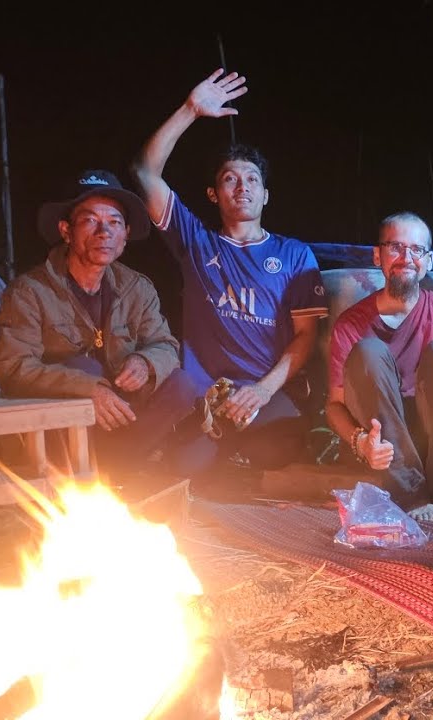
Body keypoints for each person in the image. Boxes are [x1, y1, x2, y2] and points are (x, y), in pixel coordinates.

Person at [132, 69, 328, 477]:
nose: (243, 187)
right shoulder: (196, 243)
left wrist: (260, 391)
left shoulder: (294, 255)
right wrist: (190, 110)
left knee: (278, 451)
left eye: (252, 179)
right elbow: (146, 173)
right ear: (214, 194)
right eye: (230, 179)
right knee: (189, 470)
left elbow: (306, 337)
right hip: (206, 396)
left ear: (266, 194)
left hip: (267, 392)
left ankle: (241, 457)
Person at [0, 169, 196, 475]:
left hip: (121, 422)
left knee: (181, 385)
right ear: (66, 230)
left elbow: (165, 345)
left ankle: (114, 469)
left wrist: (145, 362)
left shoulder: (136, 288)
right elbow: (11, 366)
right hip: (56, 428)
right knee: (84, 367)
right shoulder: (30, 291)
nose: (104, 232)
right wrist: (85, 388)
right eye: (89, 221)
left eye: (114, 223)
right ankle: (99, 472)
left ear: (125, 235)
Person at [324, 212, 433, 527]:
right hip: (384, 446)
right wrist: (359, 442)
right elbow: (334, 405)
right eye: (395, 247)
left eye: (416, 250)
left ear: (428, 260)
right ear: (378, 256)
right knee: (368, 352)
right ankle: (411, 496)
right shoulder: (352, 323)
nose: (406, 258)